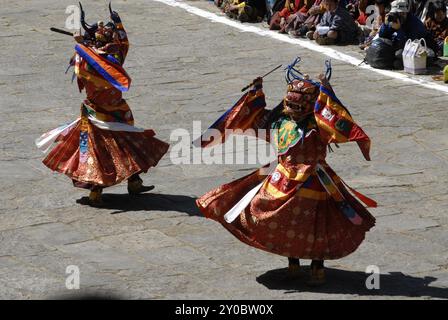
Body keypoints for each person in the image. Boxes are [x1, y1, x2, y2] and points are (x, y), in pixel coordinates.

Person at [196, 58, 376, 285]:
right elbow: (255, 115)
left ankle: (316, 267)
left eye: (298, 107)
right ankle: (294, 263)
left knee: (315, 225)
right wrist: (256, 91)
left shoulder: (318, 125)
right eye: (291, 105)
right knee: (289, 221)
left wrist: (328, 91)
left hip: (313, 179)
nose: (293, 110)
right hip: (282, 176)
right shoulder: (280, 120)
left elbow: (342, 120)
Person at [36, 3, 169, 206]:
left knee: (109, 149)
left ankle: (131, 182)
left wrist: (81, 44)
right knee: (117, 148)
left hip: (99, 111)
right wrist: (119, 25)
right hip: (109, 113)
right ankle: (100, 190)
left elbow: (83, 56)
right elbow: (123, 45)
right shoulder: (113, 61)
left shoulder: (84, 61)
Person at [378, 0, 434, 68]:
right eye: (396, 13)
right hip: (403, 47)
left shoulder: (414, 23)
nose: (398, 16)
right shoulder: (394, 19)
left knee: (398, 54)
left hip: (418, 47)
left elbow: (409, 44)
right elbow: (382, 36)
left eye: (400, 13)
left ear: (405, 12)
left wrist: (399, 29)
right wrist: (385, 24)